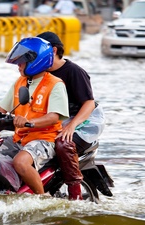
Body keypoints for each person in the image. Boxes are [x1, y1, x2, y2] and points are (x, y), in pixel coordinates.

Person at [0, 37, 69, 194]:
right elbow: (1, 108)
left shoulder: (55, 84)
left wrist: (29, 122)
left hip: (44, 139)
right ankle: (6, 189)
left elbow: (54, 117)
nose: (18, 66)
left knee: (20, 163)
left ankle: (41, 201)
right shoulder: (20, 82)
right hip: (19, 138)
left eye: (21, 62)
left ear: (36, 62)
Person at [37, 31, 105, 200]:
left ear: (52, 51)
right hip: (55, 119)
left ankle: (75, 194)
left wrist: (72, 125)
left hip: (83, 122)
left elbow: (89, 103)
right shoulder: (38, 73)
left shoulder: (74, 71)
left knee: (63, 143)